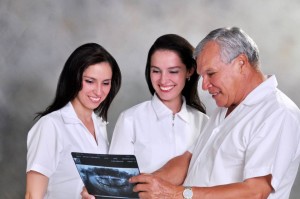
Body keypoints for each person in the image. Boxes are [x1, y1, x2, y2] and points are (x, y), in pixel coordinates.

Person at [129, 27, 300, 199]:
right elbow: (189, 160)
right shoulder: (225, 107)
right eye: (202, 76)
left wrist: (176, 194)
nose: (204, 86)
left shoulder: (278, 114)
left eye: (210, 73)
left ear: (241, 63)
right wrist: (146, 184)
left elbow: (255, 192)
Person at [81, 34, 209, 198]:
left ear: (189, 71)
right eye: (156, 71)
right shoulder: (130, 119)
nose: (163, 80)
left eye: (173, 71)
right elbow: (115, 188)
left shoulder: (204, 124)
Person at [25, 43, 122, 199]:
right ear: (74, 79)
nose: (98, 91)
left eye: (105, 83)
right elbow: (32, 195)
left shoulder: (100, 126)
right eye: (90, 81)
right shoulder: (51, 126)